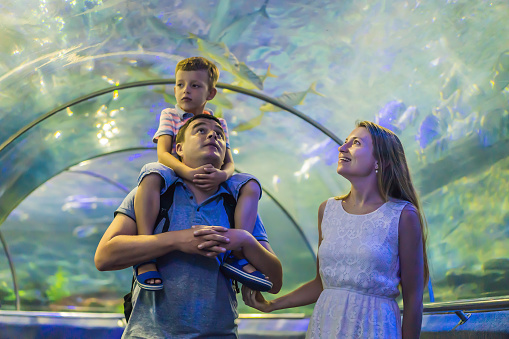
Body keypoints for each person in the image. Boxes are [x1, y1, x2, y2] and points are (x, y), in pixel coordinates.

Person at [94, 114, 283, 338]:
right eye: (200, 130)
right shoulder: (153, 194)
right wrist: (177, 240)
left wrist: (244, 239)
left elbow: (275, 282)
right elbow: (104, 257)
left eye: (219, 135)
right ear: (179, 149)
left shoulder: (237, 205)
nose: (212, 134)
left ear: (225, 156)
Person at [242, 121, 429, 339]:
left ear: (381, 161)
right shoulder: (327, 210)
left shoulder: (403, 215)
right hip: (326, 326)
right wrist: (271, 305)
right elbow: (322, 283)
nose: (342, 148)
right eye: (344, 142)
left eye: (356, 143)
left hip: (375, 328)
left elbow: (414, 299)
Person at [134, 56, 263, 289]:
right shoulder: (170, 115)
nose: (186, 91)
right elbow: (163, 153)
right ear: (174, 88)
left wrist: (223, 176)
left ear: (210, 93)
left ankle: (237, 251)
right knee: (151, 172)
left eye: (195, 85)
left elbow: (230, 162)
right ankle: (145, 251)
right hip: (176, 170)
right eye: (181, 85)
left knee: (249, 184)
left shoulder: (218, 123)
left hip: (212, 176)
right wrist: (186, 172)